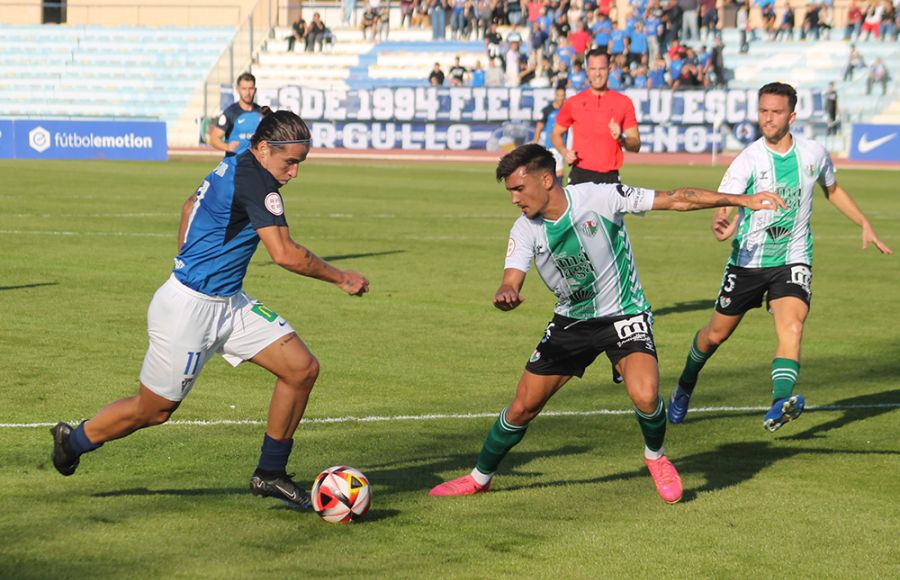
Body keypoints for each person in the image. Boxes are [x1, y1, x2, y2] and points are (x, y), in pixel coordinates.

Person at [427, 143, 786, 503]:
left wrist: (745, 200)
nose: (514, 199)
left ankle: (656, 457)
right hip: (572, 322)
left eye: (519, 189)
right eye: (510, 192)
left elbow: (677, 198)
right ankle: (479, 477)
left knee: (645, 395)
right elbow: (511, 279)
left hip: (624, 314)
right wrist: (506, 293)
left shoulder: (600, 197)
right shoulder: (525, 229)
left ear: (546, 179)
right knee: (522, 407)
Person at [49, 110, 370, 510]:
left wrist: (186, 257)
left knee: (301, 369)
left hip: (230, 303)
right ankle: (74, 440)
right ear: (266, 148)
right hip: (188, 310)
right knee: (154, 410)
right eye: (290, 162)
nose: (293, 173)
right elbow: (285, 255)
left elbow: (188, 206)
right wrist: (341, 278)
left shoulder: (237, 160)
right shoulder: (258, 182)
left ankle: (270, 473)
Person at [667, 82, 892, 432]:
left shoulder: (814, 153)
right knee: (714, 335)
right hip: (749, 261)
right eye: (763, 111)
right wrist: (722, 217)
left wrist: (863, 222)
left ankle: (779, 404)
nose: (767, 119)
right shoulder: (749, 159)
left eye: (775, 112)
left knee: (792, 326)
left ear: (792, 115)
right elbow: (726, 199)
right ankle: (685, 384)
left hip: (793, 258)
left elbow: (831, 188)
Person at [551, 49, 640, 186]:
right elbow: (556, 134)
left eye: (602, 69)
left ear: (609, 69)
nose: (597, 74)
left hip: (610, 178)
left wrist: (621, 139)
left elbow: (636, 145)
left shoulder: (624, 103)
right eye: (593, 69)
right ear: (587, 71)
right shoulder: (574, 102)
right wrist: (565, 152)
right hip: (580, 176)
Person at [209, 72, 262, 157]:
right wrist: (227, 147)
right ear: (238, 90)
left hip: (255, 165)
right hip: (235, 164)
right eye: (244, 89)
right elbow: (214, 139)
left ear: (255, 90)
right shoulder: (230, 112)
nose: (248, 93)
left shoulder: (261, 113)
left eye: (251, 88)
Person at [533, 86, 568, 178]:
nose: (560, 98)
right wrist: (535, 147)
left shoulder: (567, 109)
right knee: (558, 174)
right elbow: (538, 129)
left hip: (564, 148)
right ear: (555, 96)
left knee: (555, 176)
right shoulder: (547, 110)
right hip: (552, 147)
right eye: (558, 95)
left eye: (563, 95)